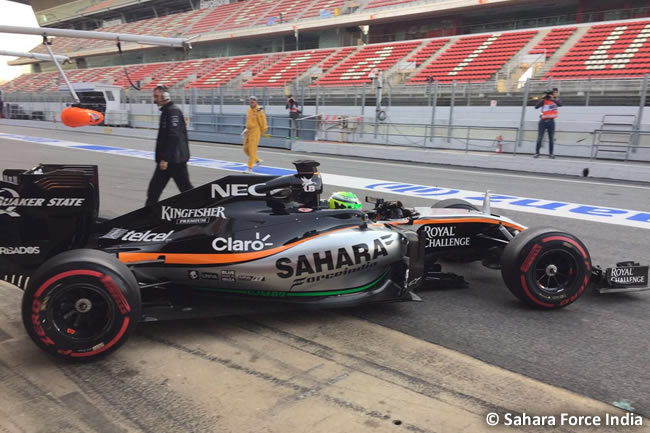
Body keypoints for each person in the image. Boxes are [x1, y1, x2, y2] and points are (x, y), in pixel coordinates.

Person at [145, 85, 193, 206]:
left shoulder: (173, 111)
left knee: (187, 191)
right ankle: (147, 217)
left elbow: (174, 136)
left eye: (156, 96)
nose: (154, 99)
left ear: (165, 96)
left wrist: (165, 158)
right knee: (153, 191)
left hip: (174, 161)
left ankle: (203, 212)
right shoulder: (166, 111)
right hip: (166, 161)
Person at [533, 88, 562, 159]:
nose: (549, 96)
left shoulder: (556, 100)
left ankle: (551, 154)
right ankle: (537, 153)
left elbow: (560, 104)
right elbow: (536, 107)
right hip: (543, 121)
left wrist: (552, 99)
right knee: (540, 138)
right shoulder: (544, 100)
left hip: (551, 122)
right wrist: (543, 99)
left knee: (551, 138)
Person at [243, 95, 268, 174]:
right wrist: (246, 128)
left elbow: (263, 122)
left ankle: (249, 168)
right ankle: (257, 160)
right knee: (245, 149)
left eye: (253, 101)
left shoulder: (259, 110)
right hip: (249, 131)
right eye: (251, 101)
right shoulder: (249, 109)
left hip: (255, 131)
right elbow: (248, 120)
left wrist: (262, 131)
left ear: (256, 102)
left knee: (252, 150)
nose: (252, 102)